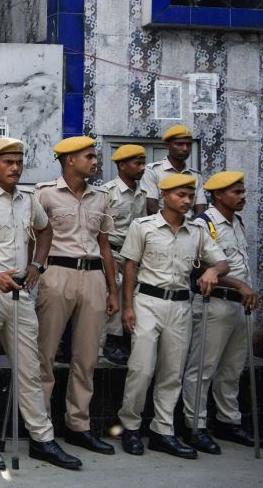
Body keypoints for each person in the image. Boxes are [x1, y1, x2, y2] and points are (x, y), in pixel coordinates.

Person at [0, 138, 81, 471]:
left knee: (30, 368)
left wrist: (37, 266)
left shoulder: (27, 200)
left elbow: (46, 231)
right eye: (8, 162)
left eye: (19, 162)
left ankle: (42, 439)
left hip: (20, 294)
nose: (14, 167)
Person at [117, 174, 228, 459]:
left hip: (180, 306)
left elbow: (222, 261)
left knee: (172, 372)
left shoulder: (197, 232)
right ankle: (130, 427)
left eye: (191, 196)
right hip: (147, 302)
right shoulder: (143, 227)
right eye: (181, 195)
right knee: (141, 369)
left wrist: (213, 271)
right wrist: (127, 307)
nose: (188, 201)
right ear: (164, 196)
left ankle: (162, 432)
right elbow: (130, 266)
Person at [32, 136, 118, 455]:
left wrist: (113, 291)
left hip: (93, 275)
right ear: (70, 160)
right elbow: (33, 238)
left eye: (95, 156)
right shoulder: (44, 194)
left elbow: (106, 245)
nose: (96, 161)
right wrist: (33, 272)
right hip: (55, 274)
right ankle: (39, 428)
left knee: (87, 356)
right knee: (45, 353)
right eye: (90, 156)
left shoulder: (101, 198)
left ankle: (78, 425)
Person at [181, 171, 260, 454]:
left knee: (232, 368)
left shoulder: (236, 222)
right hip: (214, 303)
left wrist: (244, 288)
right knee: (202, 367)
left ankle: (228, 421)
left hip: (241, 305)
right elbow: (198, 268)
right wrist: (237, 284)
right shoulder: (204, 225)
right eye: (236, 192)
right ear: (218, 195)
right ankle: (196, 426)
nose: (242, 196)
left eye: (242, 191)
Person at [103, 144, 148, 365]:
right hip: (111, 251)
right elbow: (99, 231)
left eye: (143, 163)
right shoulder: (108, 192)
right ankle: (111, 341)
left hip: (134, 255)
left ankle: (128, 337)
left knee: (136, 294)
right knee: (115, 287)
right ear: (122, 166)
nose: (142, 168)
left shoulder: (142, 194)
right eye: (137, 163)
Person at [140, 125, 204, 216]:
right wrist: (175, 224)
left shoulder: (195, 176)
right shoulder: (153, 171)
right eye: (179, 144)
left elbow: (201, 210)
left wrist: (189, 227)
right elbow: (151, 207)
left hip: (190, 227)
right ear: (167, 146)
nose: (185, 148)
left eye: (188, 144)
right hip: (160, 226)